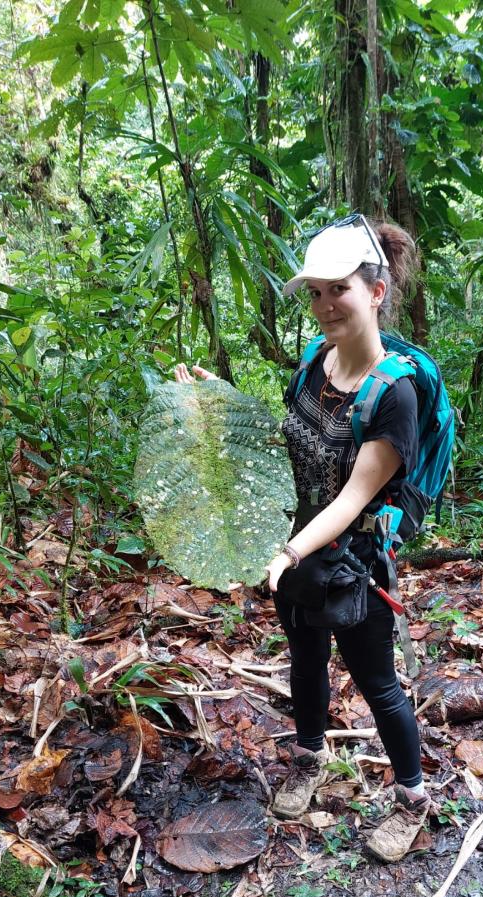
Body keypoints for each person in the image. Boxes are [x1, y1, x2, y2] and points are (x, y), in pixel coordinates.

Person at [176, 215, 431, 863]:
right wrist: (223, 400)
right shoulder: (316, 364)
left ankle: (413, 799)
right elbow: (287, 448)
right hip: (295, 551)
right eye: (314, 292)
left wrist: (290, 550)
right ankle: (310, 760)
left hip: (355, 562)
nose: (322, 305)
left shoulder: (394, 395)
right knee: (306, 660)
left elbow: (353, 497)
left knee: (378, 683)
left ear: (375, 291)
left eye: (336, 289)